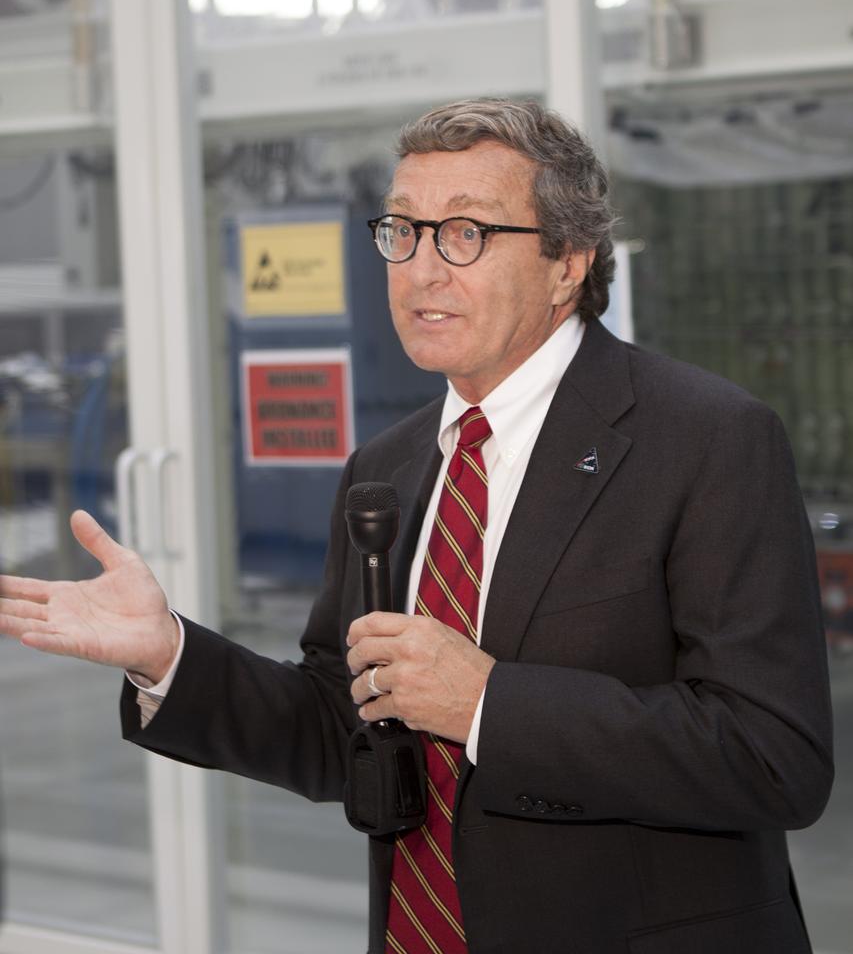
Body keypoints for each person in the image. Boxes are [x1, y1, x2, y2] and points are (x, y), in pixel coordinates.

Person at [0, 98, 833, 954]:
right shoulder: (386, 467)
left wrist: (486, 703)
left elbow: (773, 757)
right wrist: (166, 653)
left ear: (566, 263)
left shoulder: (705, 438)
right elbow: (341, 726)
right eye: (402, 231)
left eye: (465, 232)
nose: (421, 269)